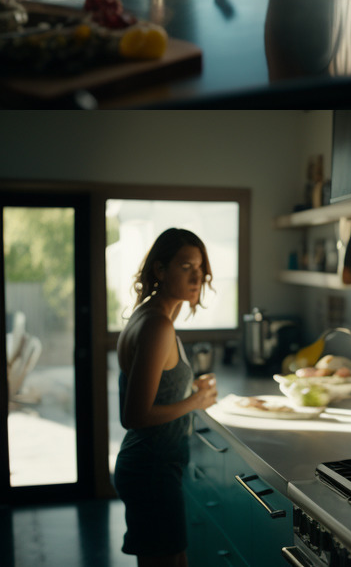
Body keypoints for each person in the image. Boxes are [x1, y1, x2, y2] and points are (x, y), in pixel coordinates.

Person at [112, 228, 220, 567]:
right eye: (186, 266)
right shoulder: (158, 325)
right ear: (160, 270)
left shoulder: (150, 316)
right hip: (151, 469)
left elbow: (156, 387)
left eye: (200, 268)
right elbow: (134, 415)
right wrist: (195, 402)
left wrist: (189, 389)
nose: (197, 276)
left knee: (173, 559)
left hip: (152, 466)